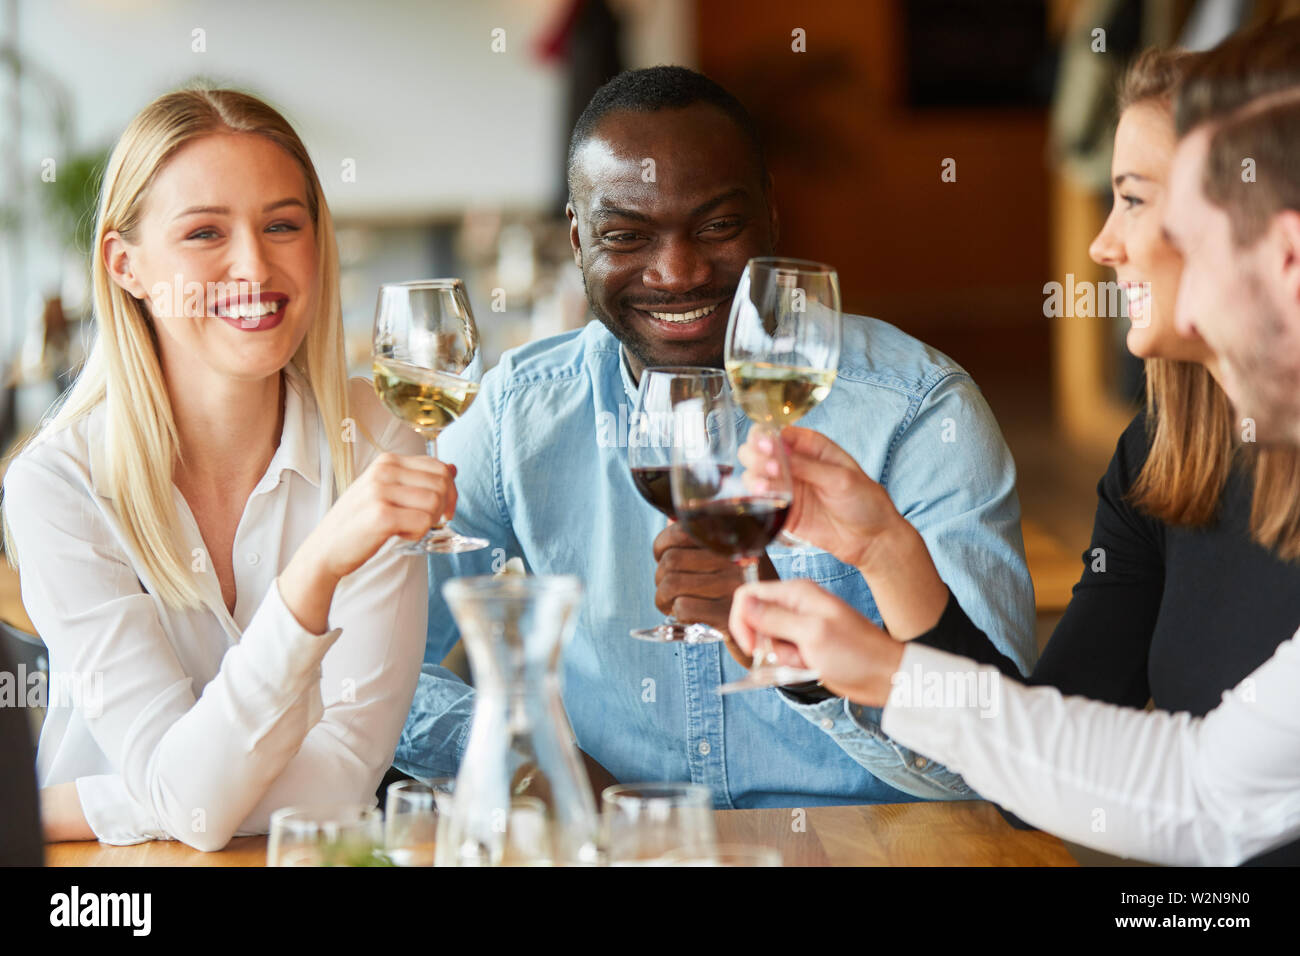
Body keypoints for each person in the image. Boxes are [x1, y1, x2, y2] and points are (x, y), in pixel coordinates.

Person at [728, 23, 1300, 864]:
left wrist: (885, 672)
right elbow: (1058, 766)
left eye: (1152, 207)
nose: (1105, 246)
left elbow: (1199, 797)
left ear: (1283, 253)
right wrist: (886, 548)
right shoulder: (1164, 456)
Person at [396, 66, 1036, 808]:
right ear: (577, 239)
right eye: (626, 235)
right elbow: (381, 669)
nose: (678, 273)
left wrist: (805, 668)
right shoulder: (519, 413)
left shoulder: (917, 411)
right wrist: (545, 766)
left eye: (717, 227)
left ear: (771, 216)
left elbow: (1001, 756)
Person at [2, 88, 456, 850]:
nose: (254, 263)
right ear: (126, 266)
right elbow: (190, 805)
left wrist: (90, 802)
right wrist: (314, 572)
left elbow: (342, 779)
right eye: (205, 232)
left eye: (284, 224)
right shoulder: (58, 485)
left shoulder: (377, 444)